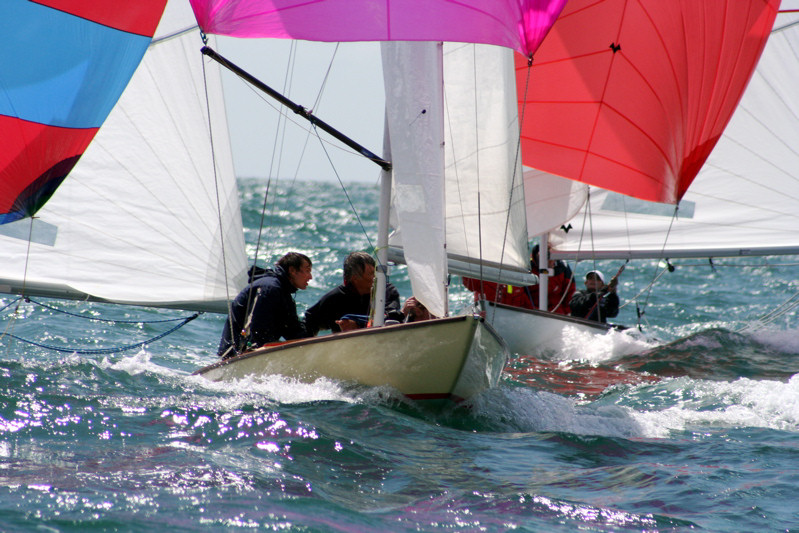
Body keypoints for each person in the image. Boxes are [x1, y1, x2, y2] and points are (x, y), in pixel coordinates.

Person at [217, 251, 312, 359]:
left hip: (252, 354)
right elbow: (257, 329)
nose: (310, 277)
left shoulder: (282, 293)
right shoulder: (270, 288)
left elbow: (293, 331)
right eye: (307, 271)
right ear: (292, 271)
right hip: (236, 355)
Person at [304, 251, 403, 335]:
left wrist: (358, 324)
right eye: (370, 274)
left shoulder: (386, 291)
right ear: (355, 278)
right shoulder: (335, 299)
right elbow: (310, 321)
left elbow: (393, 317)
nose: (376, 278)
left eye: (375, 273)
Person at [529, 244, 576, 315]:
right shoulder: (528, 269)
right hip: (532, 313)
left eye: (553, 257)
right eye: (548, 257)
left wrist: (566, 313)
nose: (552, 261)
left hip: (558, 313)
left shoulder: (563, 269)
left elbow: (570, 293)